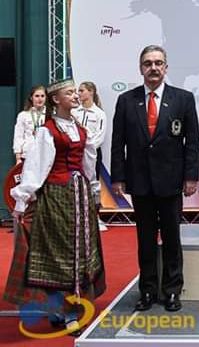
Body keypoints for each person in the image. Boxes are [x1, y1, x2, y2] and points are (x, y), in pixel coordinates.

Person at [6, 79, 104, 334]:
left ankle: (72, 308)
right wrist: (22, 199)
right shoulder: (47, 131)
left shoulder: (81, 129)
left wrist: (94, 194)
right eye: (69, 93)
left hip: (80, 196)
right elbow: (36, 167)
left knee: (81, 252)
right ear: (56, 100)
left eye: (75, 92)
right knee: (59, 254)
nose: (75, 96)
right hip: (56, 197)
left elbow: (89, 164)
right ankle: (62, 310)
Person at [111, 45, 199, 312]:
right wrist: (118, 177)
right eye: (148, 63)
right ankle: (147, 290)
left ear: (166, 68)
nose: (153, 68)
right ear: (141, 68)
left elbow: (191, 142)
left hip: (171, 181)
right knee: (145, 240)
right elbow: (117, 143)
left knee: (172, 239)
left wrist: (191, 176)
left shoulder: (183, 99)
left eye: (158, 63)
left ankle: (172, 291)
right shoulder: (126, 100)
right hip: (140, 181)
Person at [72, 81, 109, 231]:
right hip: (75, 152)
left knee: (93, 184)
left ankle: (95, 217)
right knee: (75, 183)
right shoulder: (74, 112)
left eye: (82, 91)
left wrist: (88, 147)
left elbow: (100, 136)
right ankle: (78, 217)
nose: (79, 93)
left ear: (91, 92)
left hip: (92, 152)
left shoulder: (99, 114)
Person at [13, 85, 46, 165]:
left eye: (42, 96)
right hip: (27, 155)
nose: (40, 99)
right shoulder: (23, 115)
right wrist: (18, 158)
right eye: (37, 96)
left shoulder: (51, 114)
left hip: (45, 155)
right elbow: (18, 136)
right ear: (31, 98)